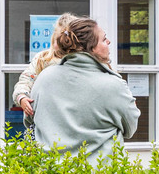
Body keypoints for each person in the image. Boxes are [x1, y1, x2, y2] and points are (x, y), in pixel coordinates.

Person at [30, 18, 140, 163]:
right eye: (104, 39)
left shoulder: (44, 78)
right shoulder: (113, 85)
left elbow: (30, 120)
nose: (109, 42)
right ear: (91, 48)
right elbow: (130, 128)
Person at [11, 12, 80, 134]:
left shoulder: (80, 61)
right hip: (42, 121)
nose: (59, 42)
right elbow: (26, 80)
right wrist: (22, 97)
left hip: (71, 121)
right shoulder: (43, 59)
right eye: (57, 37)